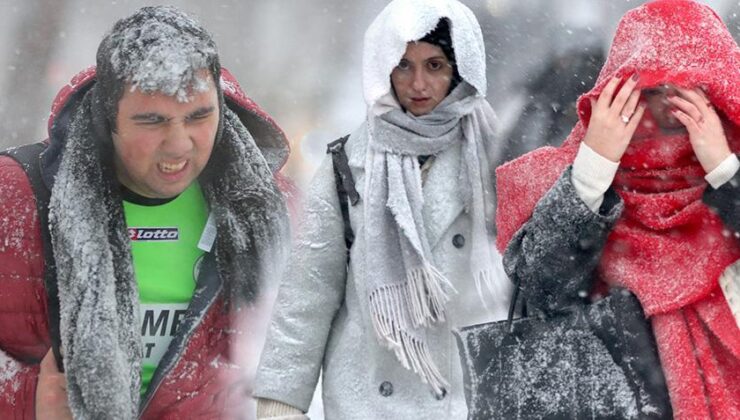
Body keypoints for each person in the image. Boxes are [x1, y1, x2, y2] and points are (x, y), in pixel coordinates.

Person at [0, 6, 291, 419]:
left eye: (199, 117)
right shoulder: (15, 195)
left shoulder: (267, 208)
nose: (179, 145)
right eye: (152, 121)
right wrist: (25, 398)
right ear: (107, 118)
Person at [254, 0, 511, 418]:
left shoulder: (494, 156)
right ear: (383, 66)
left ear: (460, 69)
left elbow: (532, 268)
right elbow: (308, 292)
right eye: (403, 64)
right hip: (368, 400)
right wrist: (280, 403)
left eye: (435, 65)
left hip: (467, 398)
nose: (418, 83)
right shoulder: (346, 165)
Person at [496, 0, 739, 418]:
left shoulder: (726, 181)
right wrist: (593, 168)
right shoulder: (587, 178)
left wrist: (725, 170)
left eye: (687, 86)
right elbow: (538, 290)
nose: (669, 106)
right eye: (653, 87)